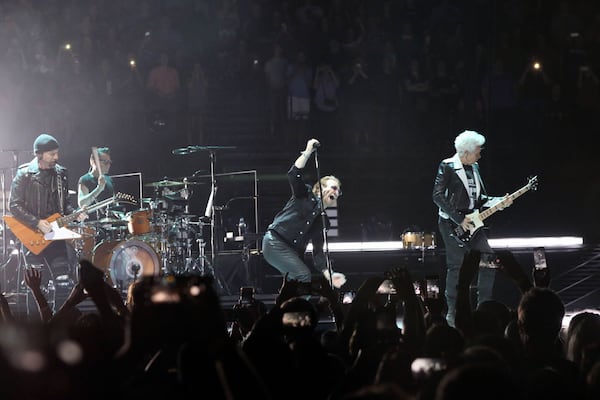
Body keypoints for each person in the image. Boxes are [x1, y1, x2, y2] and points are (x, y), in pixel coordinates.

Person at [432, 130, 512, 327]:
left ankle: (483, 309)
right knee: (456, 266)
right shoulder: (448, 166)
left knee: (489, 261)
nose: (480, 155)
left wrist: (499, 201)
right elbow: (437, 196)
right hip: (451, 222)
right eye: (477, 151)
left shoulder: (474, 167)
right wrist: (459, 218)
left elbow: (481, 199)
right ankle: (454, 313)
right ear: (465, 152)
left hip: (474, 222)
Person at [9, 133, 87, 310]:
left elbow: (64, 203)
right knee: (36, 286)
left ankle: (60, 324)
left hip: (56, 235)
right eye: (52, 154)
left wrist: (75, 213)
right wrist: (36, 222)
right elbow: (14, 205)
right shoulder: (24, 174)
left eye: (57, 153)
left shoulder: (61, 173)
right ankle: (37, 329)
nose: (56, 157)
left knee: (63, 283)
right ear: (39, 154)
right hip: (32, 237)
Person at [262, 138, 346, 289]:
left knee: (292, 285)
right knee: (303, 276)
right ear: (320, 187)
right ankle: (297, 310)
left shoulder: (322, 220)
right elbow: (293, 175)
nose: (336, 192)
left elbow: (318, 253)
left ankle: (286, 310)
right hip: (275, 242)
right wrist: (308, 152)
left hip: (292, 252)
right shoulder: (305, 194)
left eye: (339, 191)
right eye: (334, 187)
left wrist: (330, 275)